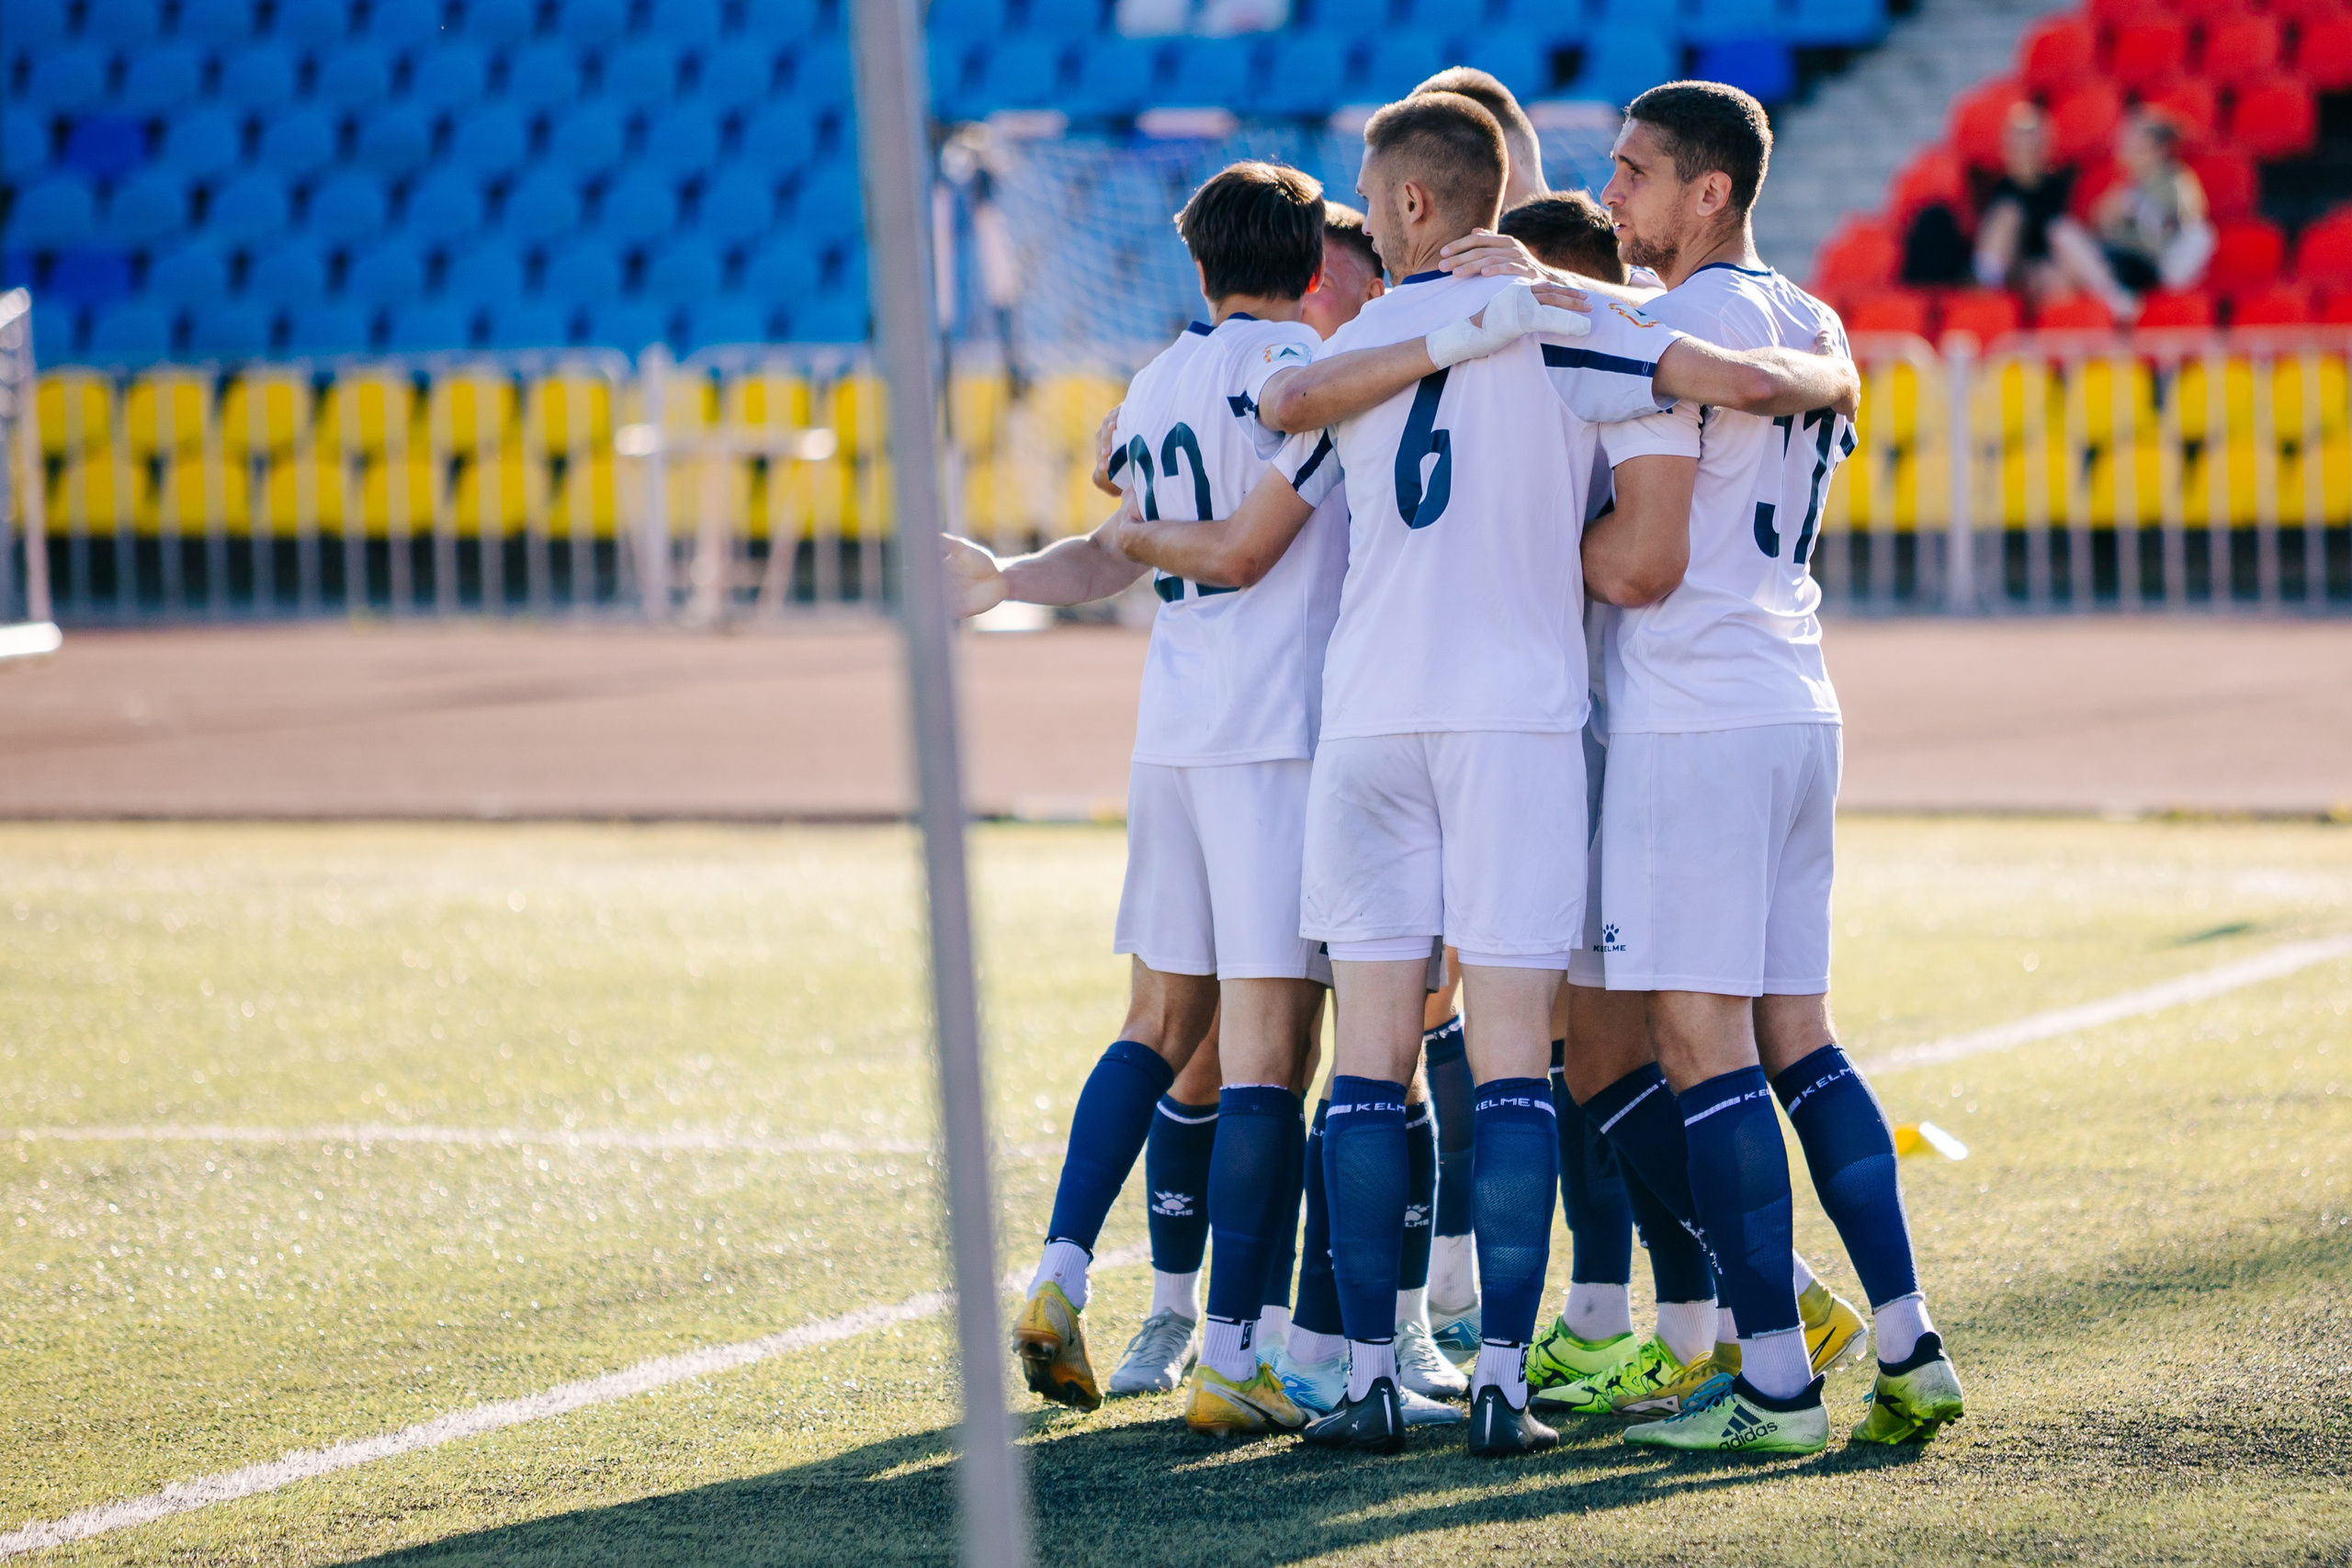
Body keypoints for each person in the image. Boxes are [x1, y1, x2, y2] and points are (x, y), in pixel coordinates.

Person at [1109, 92, 1859, 1458]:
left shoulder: (1359, 338)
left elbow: (1279, 418)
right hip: (1516, 723)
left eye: (1366, 191)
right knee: (1516, 1057)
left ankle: (1364, 1375)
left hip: (1367, 723)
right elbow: (1658, 503)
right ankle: (1504, 1375)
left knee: (1372, 1061)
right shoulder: (1580, 329)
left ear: (1409, 203)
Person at [952, 164, 1578, 1435]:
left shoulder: (1151, 383)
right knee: (1272, 1057)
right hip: (1283, 735)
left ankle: (1066, 1266)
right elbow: (1250, 540)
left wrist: (1006, 578)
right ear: (1310, 268)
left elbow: (1109, 550)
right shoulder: (1305, 363)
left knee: (1154, 1018)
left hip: (1170, 736)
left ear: (1196, 267)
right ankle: (1240, 1348)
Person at [1567, 79, 1965, 1456]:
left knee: (1702, 1042)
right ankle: (1908, 1344)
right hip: (1794, 700)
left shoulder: (1672, 324)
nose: (1611, 194)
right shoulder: (1815, 319)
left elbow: (1646, 561)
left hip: (1696, 716)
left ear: (1711, 190)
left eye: (1633, 172)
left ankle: (1779, 1387)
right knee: (1801, 1033)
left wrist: (1514, 554)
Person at [1492, 188, 1732, 1413]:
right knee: (1598, 1056)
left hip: (1595, 744)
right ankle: (1643, 1314)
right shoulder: (1612, 367)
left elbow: (1632, 557)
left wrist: (1518, 540)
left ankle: (1731, 1303)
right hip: (1607, 733)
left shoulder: (1590, 382)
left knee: (1615, 1056)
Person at [2050, 110, 2213, 322]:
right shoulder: (2128, 186)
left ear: (2157, 149)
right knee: (2058, 256)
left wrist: (2139, 210)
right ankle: (2099, 315)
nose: (2125, 147)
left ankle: (2114, 302)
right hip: (2115, 262)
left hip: (2145, 264)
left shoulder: (2177, 183)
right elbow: (2099, 224)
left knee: (2062, 243)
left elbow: (2184, 232)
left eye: (2135, 143)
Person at [1972, 102, 2076, 302]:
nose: (2026, 145)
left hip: (2048, 266)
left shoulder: (2060, 187)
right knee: (2008, 215)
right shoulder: (1996, 190)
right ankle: (1986, 290)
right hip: (2010, 267)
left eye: (2032, 137)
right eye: (2020, 138)